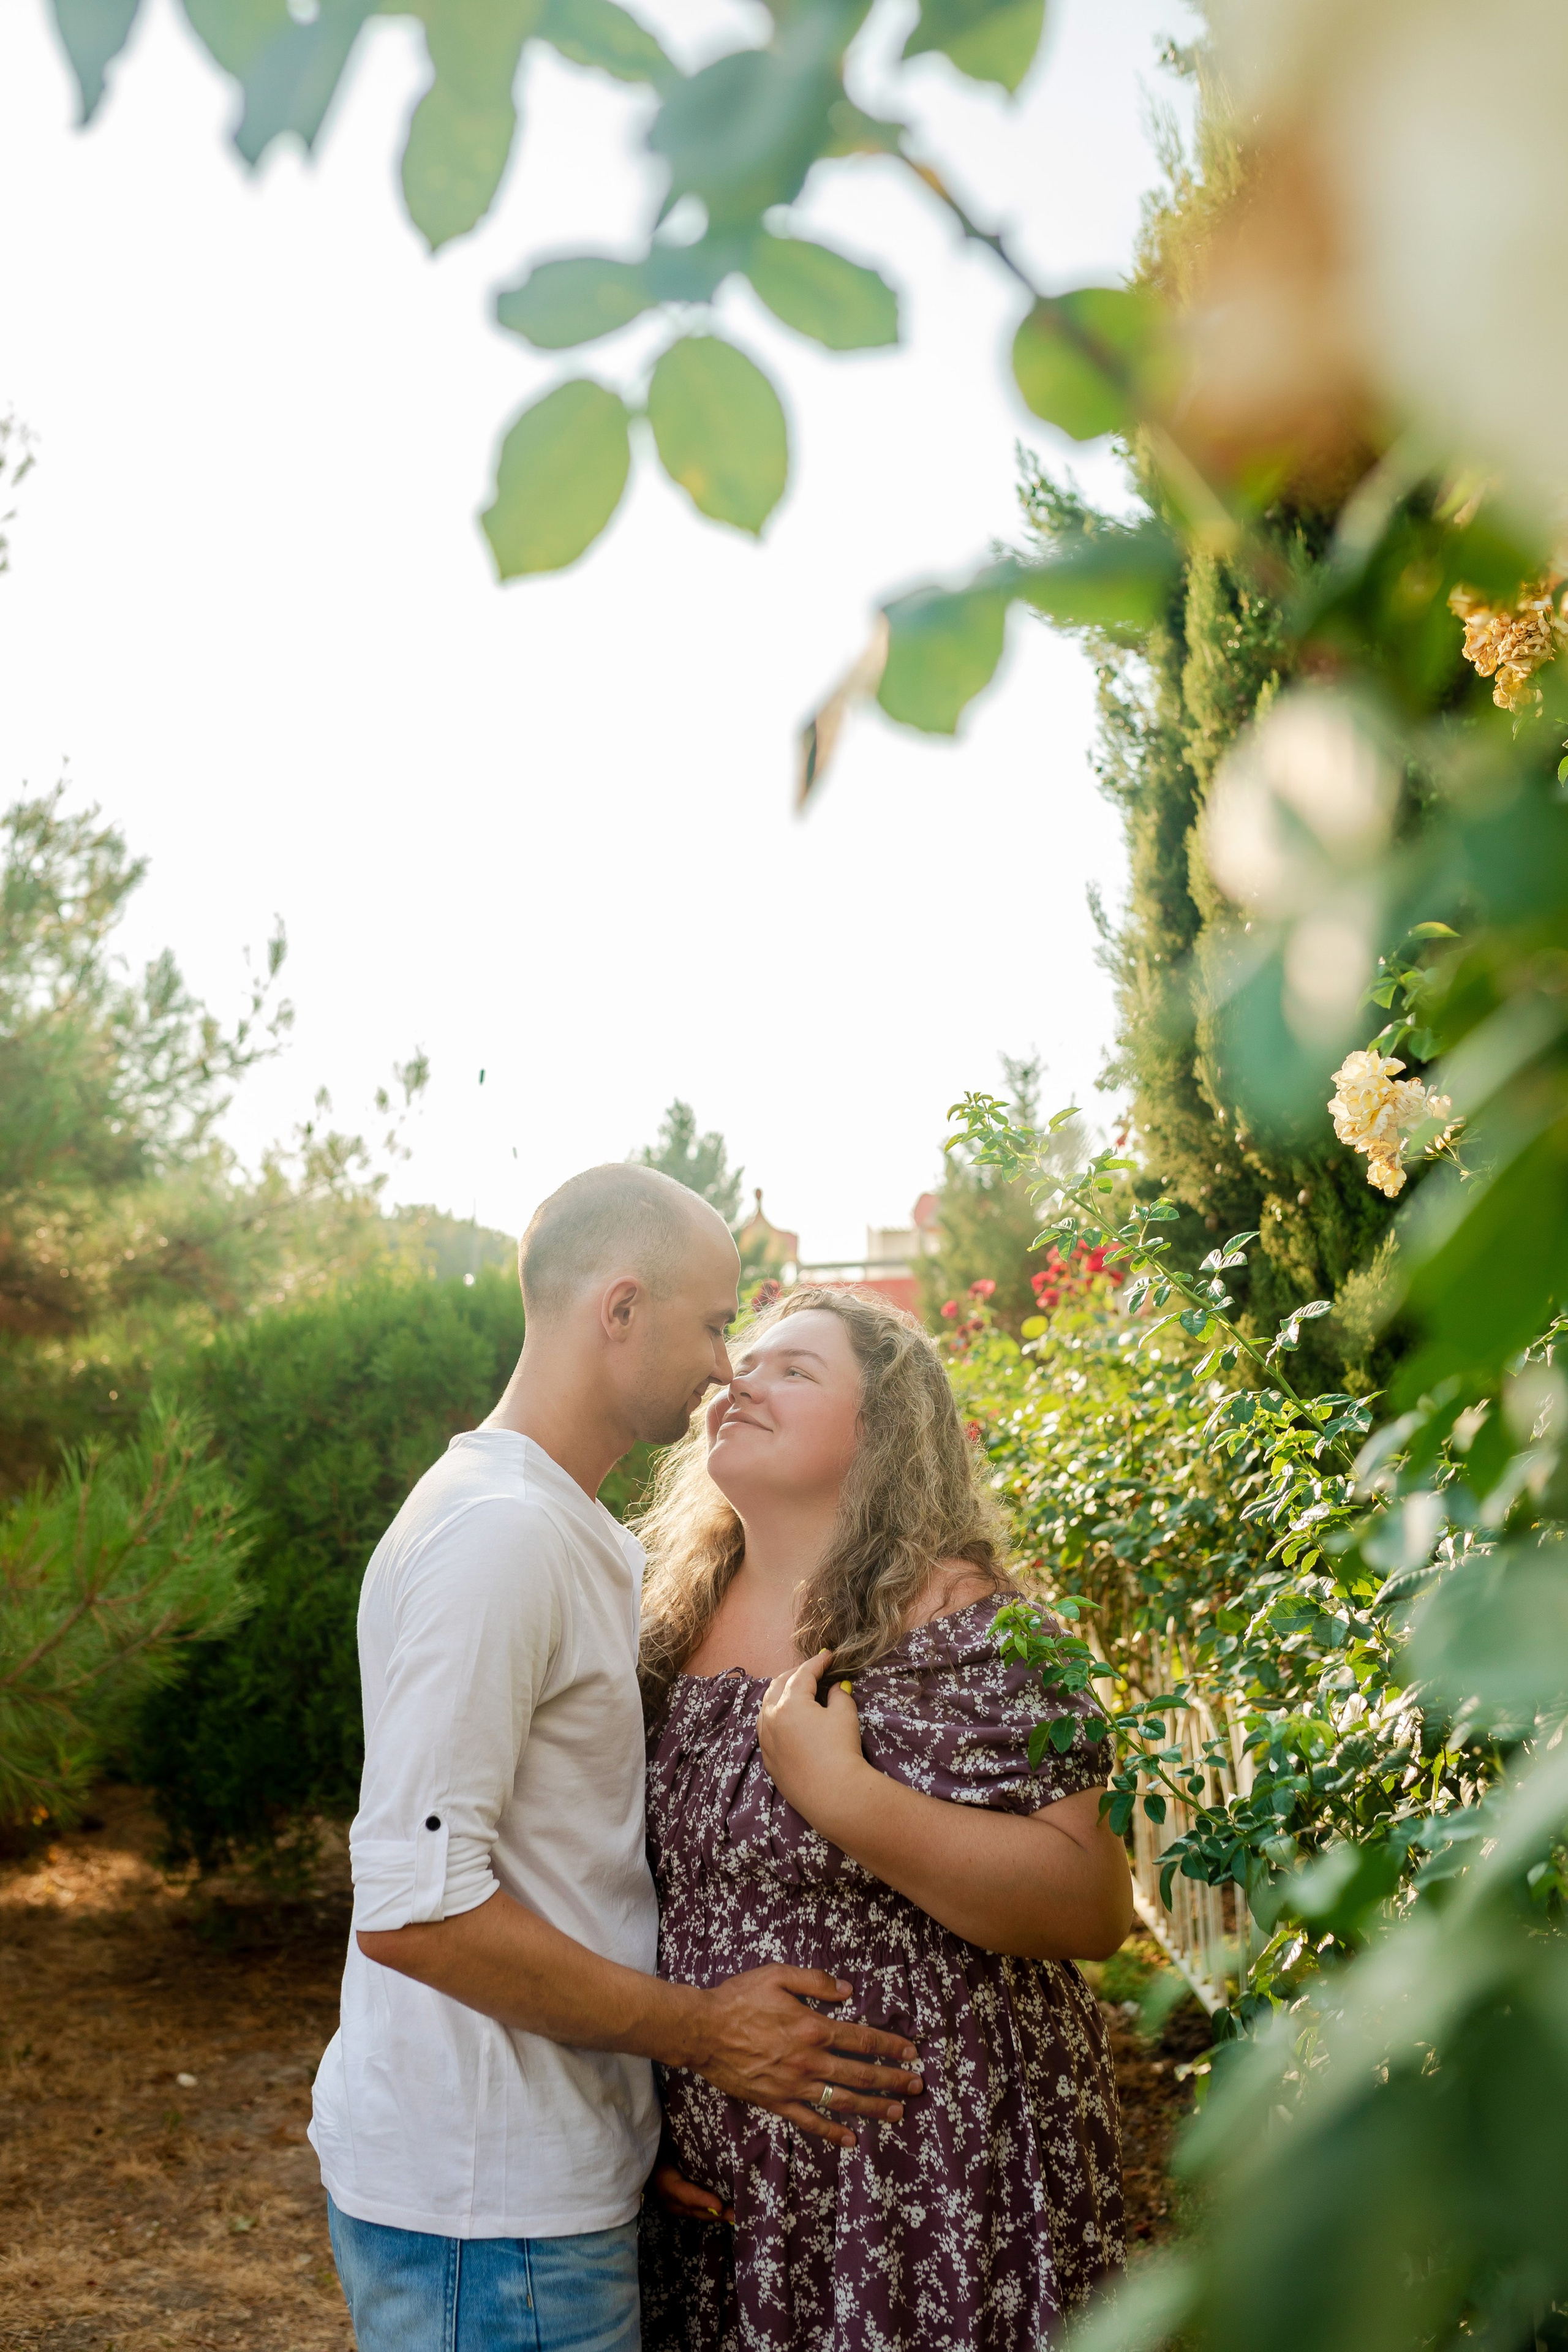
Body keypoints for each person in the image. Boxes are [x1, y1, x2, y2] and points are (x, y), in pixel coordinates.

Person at [308, 1169, 922, 2352]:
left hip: (536, 2194)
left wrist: (627, 2129)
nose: (723, 1365)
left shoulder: (556, 1524)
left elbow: (562, 1870)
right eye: (711, 1322)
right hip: (490, 2227)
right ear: (621, 1307)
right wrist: (702, 2034)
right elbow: (416, 1909)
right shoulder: (500, 1535)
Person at [636, 1284, 1134, 2352]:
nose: (740, 1379)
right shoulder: (662, 1627)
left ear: (886, 1433)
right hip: (727, 2213)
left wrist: (848, 1800)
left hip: (936, 2185)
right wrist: (642, 2108)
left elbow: (1092, 1906)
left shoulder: (971, 1621)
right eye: (744, 1359)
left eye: (794, 1370)